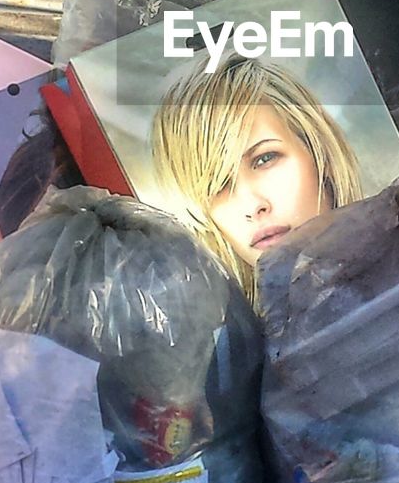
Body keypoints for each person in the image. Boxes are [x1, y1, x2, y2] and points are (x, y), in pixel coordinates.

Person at [151, 52, 362, 299]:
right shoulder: (232, 335)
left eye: (265, 159)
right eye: (217, 184)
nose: (252, 206)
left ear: (320, 152)